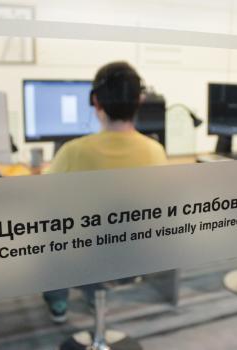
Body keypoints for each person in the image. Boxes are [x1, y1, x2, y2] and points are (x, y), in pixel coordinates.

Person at [43, 61, 167, 323]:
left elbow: (43, 197)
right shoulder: (156, 151)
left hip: (83, 255)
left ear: (95, 102)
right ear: (139, 101)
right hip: (136, 256)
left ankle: (59, 300)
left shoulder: (73, 151)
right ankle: (94, 293)